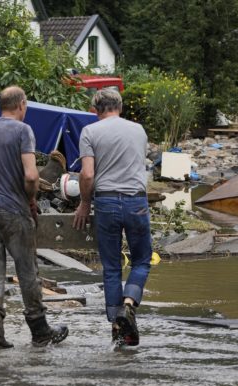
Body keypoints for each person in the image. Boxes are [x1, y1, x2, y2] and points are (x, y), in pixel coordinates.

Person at [0, 86, 68, 351]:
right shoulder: (23, 130)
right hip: (12, 209)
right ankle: (40, 332)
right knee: (27, 271)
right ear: (22, 105)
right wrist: (32, 199)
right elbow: (30, 176)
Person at [72, 89, 152, 347]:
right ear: (120, 106)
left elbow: (87, 175)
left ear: (96, 109)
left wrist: (85, 203)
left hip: (106, 201)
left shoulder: (90, 132)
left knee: (112, 267)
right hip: (136, 201)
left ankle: (117, 325)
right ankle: (129, 304)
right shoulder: (138, 130)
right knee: (141, 260)